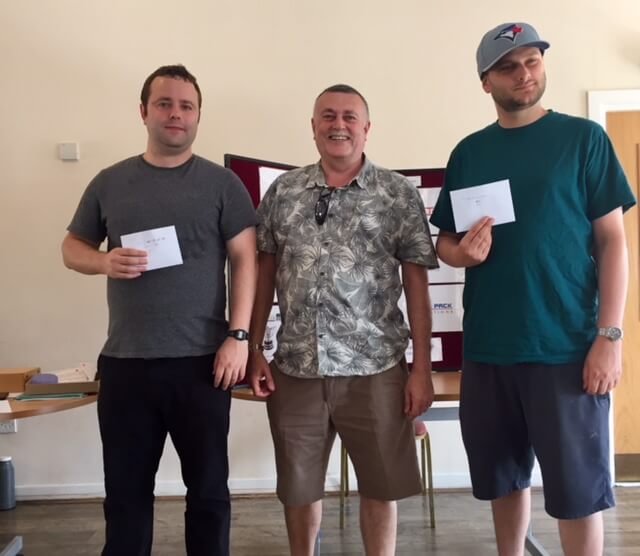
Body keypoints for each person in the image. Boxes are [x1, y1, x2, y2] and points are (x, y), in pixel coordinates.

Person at [430, 22, 636, 556]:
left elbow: (613, 242)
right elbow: (445, 242)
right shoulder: (470, 152)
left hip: (565, 347)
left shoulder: (583, 140)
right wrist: (461, 254)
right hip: (489, 348)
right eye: (507, 67)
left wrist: (610, 336)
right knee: (503, 479)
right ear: (485, 81)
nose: (523, 73)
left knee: (578, 492)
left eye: (532, 61)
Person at [61, 64, 257, 556]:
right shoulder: (110, 182)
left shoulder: (223, 184)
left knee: (209, 494)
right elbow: (71, 248)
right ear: (144, 111)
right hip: (126, 364)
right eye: (165, 104)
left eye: (186, 106)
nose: (175, 114)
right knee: (125, 497)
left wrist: (238, 337)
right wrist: (103, 261)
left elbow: (245, 259)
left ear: (198, 116)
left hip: (203, 364)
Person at [248, 84, 438, 556]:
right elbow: (264, 273)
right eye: (328, 116)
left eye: (350, 117)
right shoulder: (283, 192)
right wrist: (253, 349)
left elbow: (417, 286)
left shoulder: (396, 193)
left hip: (376, 367)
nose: (339, 125)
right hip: (296, 367)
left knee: (380, 486)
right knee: (298, 489)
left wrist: (422, 369)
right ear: (313, 126)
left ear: (366, 128)